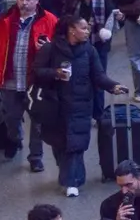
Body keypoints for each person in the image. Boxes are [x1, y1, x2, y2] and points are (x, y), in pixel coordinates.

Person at [33, 15, 128, 196]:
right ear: (71, 30)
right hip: (55, 106)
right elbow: (37, 71)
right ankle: (69, 174)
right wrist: (55, 73)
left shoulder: (89, 51)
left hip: (81, 105)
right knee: (60, 144)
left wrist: (113, 86)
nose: (87, 31)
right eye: (83, 28)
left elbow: (98, 75)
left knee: (76, 145)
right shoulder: (50, 49)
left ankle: (72, 182)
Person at [0, 0, 59, 171]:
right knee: (11, 117)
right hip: (10, 79)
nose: (24, 3)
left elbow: (58, 49)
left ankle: (35, 157)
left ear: (37, 1)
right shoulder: (4, 20)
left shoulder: (50, 20)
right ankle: (15, 138)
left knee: (37, 121)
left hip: (35, 82)